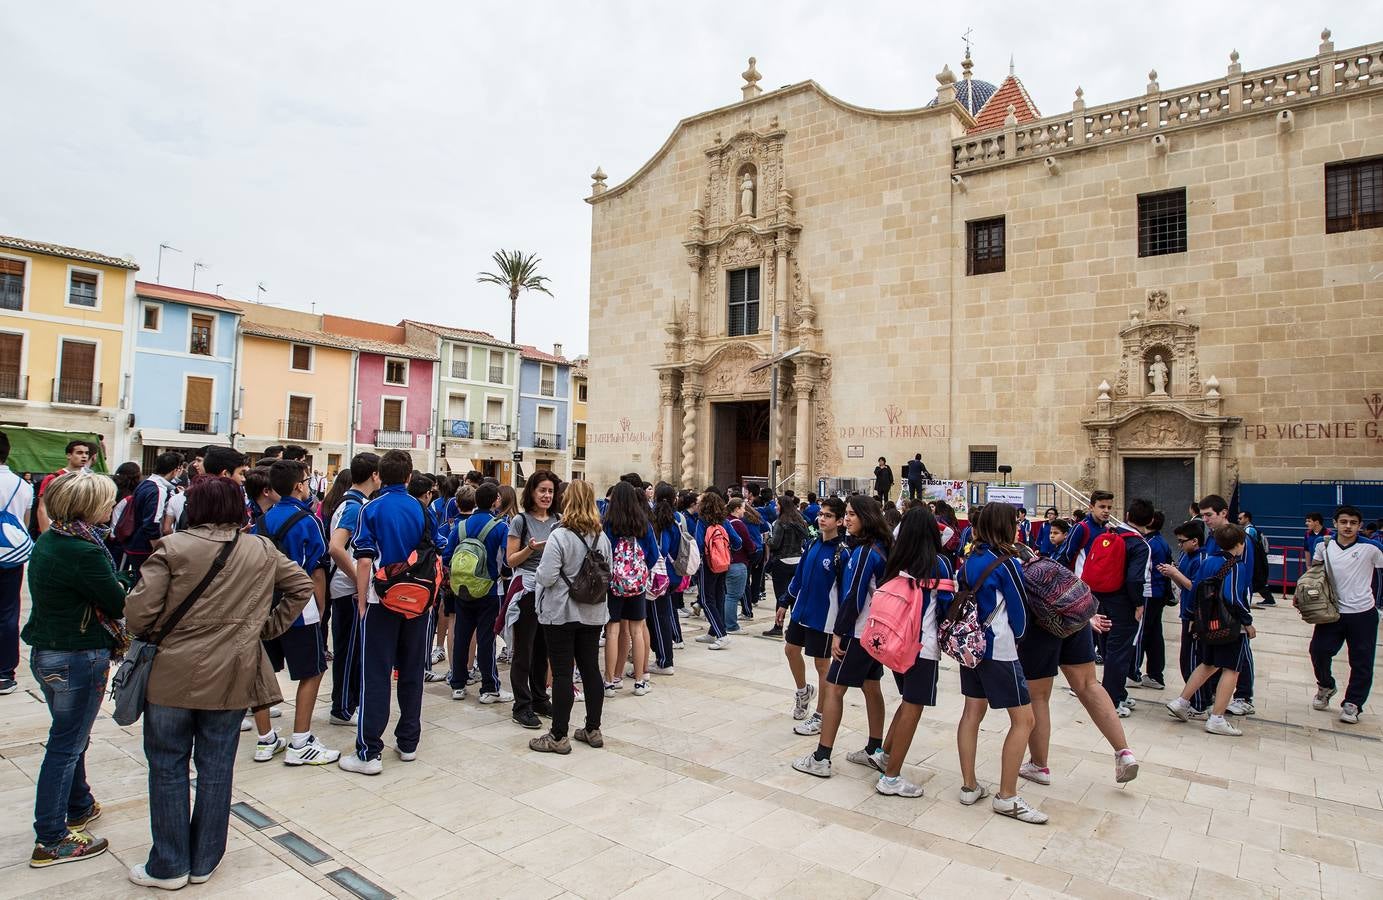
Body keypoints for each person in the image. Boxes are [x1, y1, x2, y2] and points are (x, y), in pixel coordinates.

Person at [121, 476, 311, 888]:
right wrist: (264, 627)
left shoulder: (172, 549)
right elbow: (301, 585)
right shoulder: (260, 549)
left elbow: (138, 615)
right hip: (233, 672)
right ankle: (205, 858)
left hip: (171, 674)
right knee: (216, 768)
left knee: (168, 766)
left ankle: (169, 863)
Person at [22, 472, 127, 867]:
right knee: (66, 745)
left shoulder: (55, 538)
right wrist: (120, 581)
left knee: (70, 738)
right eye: (106, 501)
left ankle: (79, 802)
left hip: (50, 651)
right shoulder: (83, 550)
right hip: (76, 654)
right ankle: (51, 837)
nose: (111, 507)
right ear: (89, 506)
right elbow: (116, 601)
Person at [955, 503, 1048, 825]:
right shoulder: (1007, 563)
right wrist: (1019, 639)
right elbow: (1020, 612)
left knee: (971, 712)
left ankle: (969, 785)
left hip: (971, 647)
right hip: (999, 648)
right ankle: (1007, 795)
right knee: (1024, 719)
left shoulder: (970, 560)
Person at [341, 450, 432, 774]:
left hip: (382, 601)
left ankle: (369, 751)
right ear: (409, 477)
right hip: (417, 601)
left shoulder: (371, 509)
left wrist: (362, 600)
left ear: (380, 475)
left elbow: (364, 558)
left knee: (376, 674)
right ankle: (408, 742)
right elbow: (436, 549)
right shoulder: (422, 509)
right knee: (411, 672)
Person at [791, 495, 891, 779]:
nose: (846, 519)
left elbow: (854, 596)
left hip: (857, 633)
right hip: (874, 633)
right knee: (872, 687)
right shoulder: (879, 548)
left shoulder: (864, 553)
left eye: (850, 514)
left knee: (835, 690)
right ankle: (875, 748)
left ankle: (822, 757)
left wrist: (839, 632)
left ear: (866, 518)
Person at [874, 506, 954, 797]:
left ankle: (886, 754)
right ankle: (891, 777)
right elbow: (946, 606)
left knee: (907, 702)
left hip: (896, 643)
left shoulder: (897, 560)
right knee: (914, 707)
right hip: (923, 646)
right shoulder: (939, 564)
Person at [529, 479, 612, 754]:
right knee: (590, 669)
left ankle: (558, 735)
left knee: (563, 672)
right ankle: (593, 728)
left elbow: (547, 575)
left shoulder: (560, 535)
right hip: (593, 611)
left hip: (562, 611)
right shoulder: (602, 537)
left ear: (567, 501)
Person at [1058, 491, 1152, 718]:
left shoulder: (1111, 533)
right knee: (1119, 651)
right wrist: (1138, 604)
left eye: (1109, 507)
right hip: (1119, 602)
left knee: (1108, 648)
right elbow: (1134, 579)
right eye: (1102, 506)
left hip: (1099, 597)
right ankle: (1111, 699)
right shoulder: (1138, 544)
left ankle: (1114, 691)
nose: (1106, 511)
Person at [1166, 524, 1255, 736]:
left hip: (1206, 623)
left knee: (1208, 663)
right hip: (1230, 625)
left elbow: (1195, 589)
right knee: (1231, 669)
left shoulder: (1207, 562)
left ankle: (1182, 701)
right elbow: (1233, 597)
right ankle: (1217, 718)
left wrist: (1193, 618)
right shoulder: (1235, 566)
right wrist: (1247, 621)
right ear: (1240, 544)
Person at [775, 497, 847, 734]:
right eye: (821, 514)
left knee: (822, 665)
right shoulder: (813, 544)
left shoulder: (841, 552)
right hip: (801, 611)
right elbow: (799, 577)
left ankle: (820, 715)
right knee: (790, 650)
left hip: (824, 617)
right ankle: (803, 691)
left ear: (839, 520)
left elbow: (845, 590)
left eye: (828, 516)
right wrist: (785, 601)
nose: (822, 519)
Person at [1307, 506, 1383, 725]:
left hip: (1362, 613)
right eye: (1344, 522)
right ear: (1335, 523)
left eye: (1353, 522)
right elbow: (1315, 572)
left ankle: (1353, 703)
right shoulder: (1323, 544)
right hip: (1332, 612)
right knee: (1318, 651)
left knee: (1361, 660)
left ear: (1359, 526)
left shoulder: (1372, 548)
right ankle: (1326, 685)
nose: (1348, 526)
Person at [323, 454, 379, 726]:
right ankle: (342, 708)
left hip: (350, 588)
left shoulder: (355, 503)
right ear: (374, 475)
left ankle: (348, 703)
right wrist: (359, 578)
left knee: (354, 650)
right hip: (348, 590)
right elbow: (336, 547)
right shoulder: (354, 506)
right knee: (348, 651)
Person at [444, 481, 511, 706]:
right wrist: (502, 574)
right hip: (489, 589)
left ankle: (458, 684)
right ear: (496, 501)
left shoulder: (461, 526)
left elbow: (446, 557)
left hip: (462, 589)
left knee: (462, 636)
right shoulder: (500, 526)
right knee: (486, 639)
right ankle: (489, 687)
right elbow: (508, 560)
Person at [507, 471, 560, 729]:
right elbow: (510, 560)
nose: (547, 496)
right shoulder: (520, 521)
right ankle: (522, 704)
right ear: (532, 492)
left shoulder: (558, 520)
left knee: (544, 648)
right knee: (524, 648)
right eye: (542, 490)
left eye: (550, 491)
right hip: (527, 589)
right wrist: (531, 548)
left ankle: (540, 697)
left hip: (551, 590)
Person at [1199, 495, 1256, 716]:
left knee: (1240, 647)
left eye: (1209, 515)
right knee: (1218, 642)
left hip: (1234, 600)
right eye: (1203, 515)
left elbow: (1244, 571)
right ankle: (1216, 691)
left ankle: (1244, 696)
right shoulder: (1213, 537)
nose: (1205, 519)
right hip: (1214, 602)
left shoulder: (1242, 539)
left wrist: (1243, 608)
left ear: (1223, 513)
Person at [603, 481, 659, 694]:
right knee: (637, 630)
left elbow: (603, 554)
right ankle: (639, 681)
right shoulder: (643, 523)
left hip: (613, 584)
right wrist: (638, 572)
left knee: (612, 631)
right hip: (637, 585)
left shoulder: (608, 524)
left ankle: (610, 681)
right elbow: (654, 555)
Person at [1160, 520, 1211, 715]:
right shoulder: (1187, 556)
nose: (1179, 545)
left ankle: (1199, 702)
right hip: (1186, 613)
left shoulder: (1202, 559)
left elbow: (1196, 587)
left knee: (1192, 661)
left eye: (1182, 541)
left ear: (1195, 541)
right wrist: (1172, 574)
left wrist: (1175, 573)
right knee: (1186, 660)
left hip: (1195, 616)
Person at [0, 430, 35, 695]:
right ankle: (4, 673)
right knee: (8, 612)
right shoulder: (23, 486)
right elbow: (24, 522)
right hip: (10, 556)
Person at [122, 452, 184, 579]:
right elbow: (152, 523)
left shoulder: (146, 483)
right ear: (175, 470)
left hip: (135, 543)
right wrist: (158, 550)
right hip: (144, 547)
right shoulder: (158, 489)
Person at [694, 490, 741, 651]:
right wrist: (725, 551)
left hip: (708, 565)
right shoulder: (724, 521)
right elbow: (738, 541)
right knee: (719, 597)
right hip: (723, 564)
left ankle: (722, 634)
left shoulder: (702, 521)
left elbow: (699, 544)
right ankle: (713, 631)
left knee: (707, 600)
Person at [1132, 510, 1172, 690]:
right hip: (1158, 594)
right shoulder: (1160, 542)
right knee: (1155, 635)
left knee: (1140, 634)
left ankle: (1133, 673)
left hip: (1150, 593)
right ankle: (1156, 675)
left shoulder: (1149, 544)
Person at [647, 482, 684, 675]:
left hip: (658, 576)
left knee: (657, 618)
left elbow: (661, 548)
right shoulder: (676, 519)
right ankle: (663, 656)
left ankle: (664, 660)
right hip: (672, 575)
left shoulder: (656, 520)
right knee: (663, 616)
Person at [761, 497, 809, 638]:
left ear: (782, 506)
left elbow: (775, 543)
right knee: (794, 596)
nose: (776, 507)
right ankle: (794, 628)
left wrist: (767, 540)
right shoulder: (800, 521)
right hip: (798, 561)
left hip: (782, 562)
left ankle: (778, 626)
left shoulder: (781, 522)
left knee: (781, 596)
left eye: (777, 505)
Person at [35, 439, 94, 533]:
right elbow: (42, 508)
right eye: (79, 453)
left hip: (82, 531)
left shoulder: (91, 479)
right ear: (69, 455)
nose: (84, 456)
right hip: (55, 529)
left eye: (86, 453)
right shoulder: (53, 478)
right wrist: (45, 534)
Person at [724, 499, 758, 631]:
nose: (744, 510)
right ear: (737, 508)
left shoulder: (725, 521)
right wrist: (754, 548)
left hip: (726, 561)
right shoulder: (738, 524)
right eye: (743, 508)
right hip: (738, 562)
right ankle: (731, 625)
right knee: (733, 595)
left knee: (727, 595)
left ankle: (725, 622)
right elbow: (748, 544)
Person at [1237, 511, 1276, 606]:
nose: (1238, 520)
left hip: (1255, 559)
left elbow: (1247, 545)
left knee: (1256, 579)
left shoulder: (1249, 531)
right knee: (1257, 580)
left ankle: (1269, 599)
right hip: (1257, 559)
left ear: (1247, 518)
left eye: (1240, 518)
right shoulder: (1252, 529)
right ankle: (1269, 599)